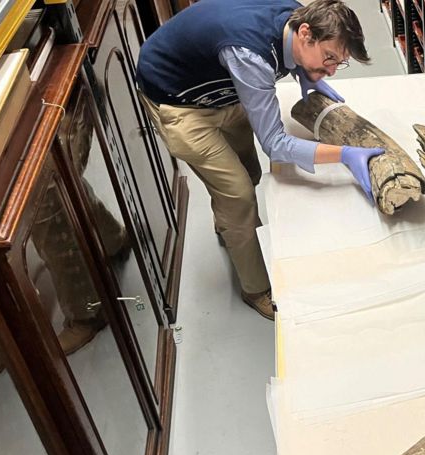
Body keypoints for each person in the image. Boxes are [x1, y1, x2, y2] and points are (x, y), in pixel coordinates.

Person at [136, 0, 385, 320]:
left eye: (339, 62)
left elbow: (285, 59)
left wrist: (306, 73)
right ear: (305, 34)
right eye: (329, 58)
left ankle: (227, 224)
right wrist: (344, 155)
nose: (332, 70)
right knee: (238, 193)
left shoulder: (296, 14)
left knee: (249, 170)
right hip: (179, 100)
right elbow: (276, 145)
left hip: (220, 84)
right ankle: (254, 289)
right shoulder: (250, 56)